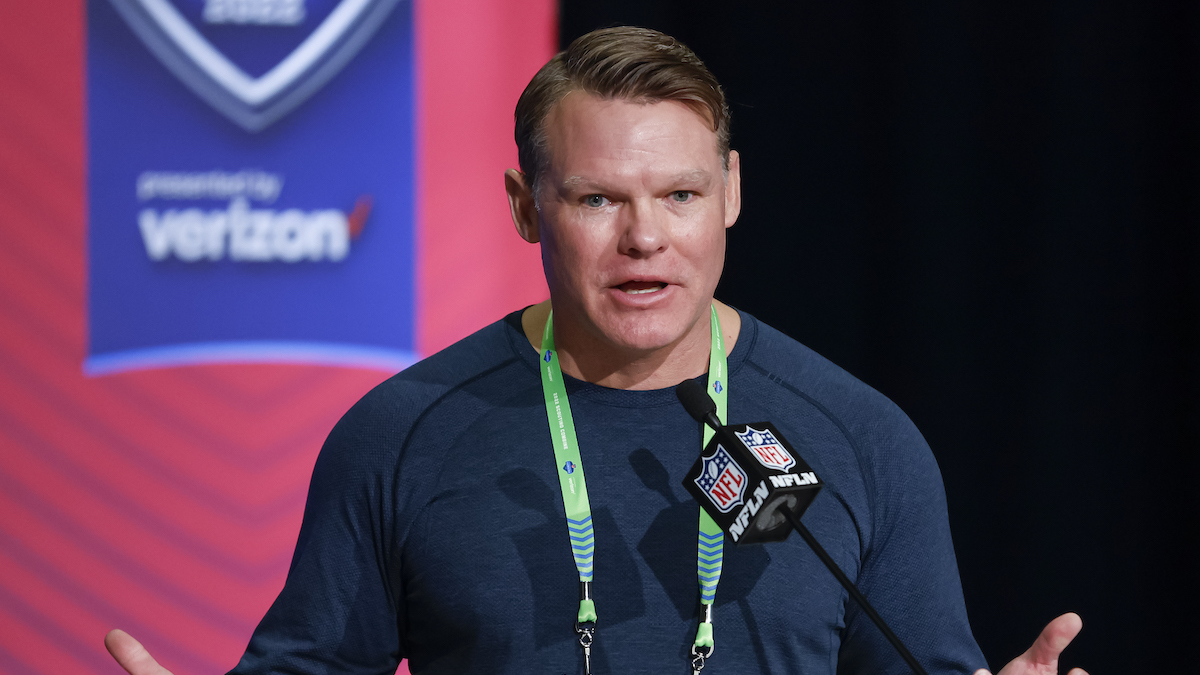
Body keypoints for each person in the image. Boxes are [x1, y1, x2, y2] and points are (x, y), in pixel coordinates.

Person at [106, 26, 1088, 675]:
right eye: (597, 199)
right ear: (525, 207)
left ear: (732, 192)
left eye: (680, 195)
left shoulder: (863, 439)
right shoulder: (399, 437)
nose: (644, 237)